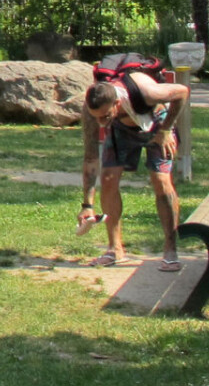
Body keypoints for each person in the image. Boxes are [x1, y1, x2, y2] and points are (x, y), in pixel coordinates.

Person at [79, 60, 191, 271]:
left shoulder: (147, 92)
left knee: (161, 180)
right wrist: (87, 205)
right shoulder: (92, 111)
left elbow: (182, 92)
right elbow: (91, 157)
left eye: (105, 116)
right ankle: (114, 249)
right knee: (108, 179)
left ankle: (170, 249)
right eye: (97, 118)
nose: (101, 123)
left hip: (157, 123)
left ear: (117, 103)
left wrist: (166, 130)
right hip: (122, 128)